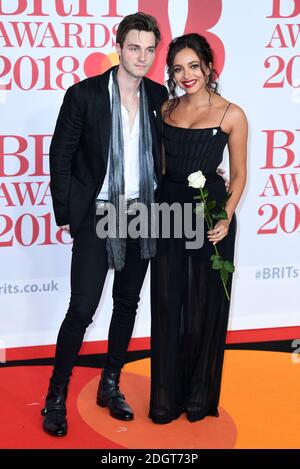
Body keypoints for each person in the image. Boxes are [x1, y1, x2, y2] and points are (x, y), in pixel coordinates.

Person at [41, 12, 168, 437]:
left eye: (150, 49)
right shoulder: (85, 95)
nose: (143, 57)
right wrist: (70, 216)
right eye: (135, 47)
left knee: (128, 303)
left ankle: (110, 384)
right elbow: (61, 157)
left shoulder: (157, 94)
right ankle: (56, 395)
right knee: (81, 309)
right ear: (119, 47)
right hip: (97, 214)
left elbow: (164, 154)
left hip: (141, 212)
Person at [149, 33, 248, 424]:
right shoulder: (165, 108)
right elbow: (157, 165)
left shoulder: (232, 115)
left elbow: (239, 174)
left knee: (206, 306)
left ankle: (198, 397)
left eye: (193, 65)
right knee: (168, 303)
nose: (186, 74)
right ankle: (165, 398)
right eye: (177, 68)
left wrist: (225, 215)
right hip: (168, 215)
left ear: (208, 66)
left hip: (211, 220)